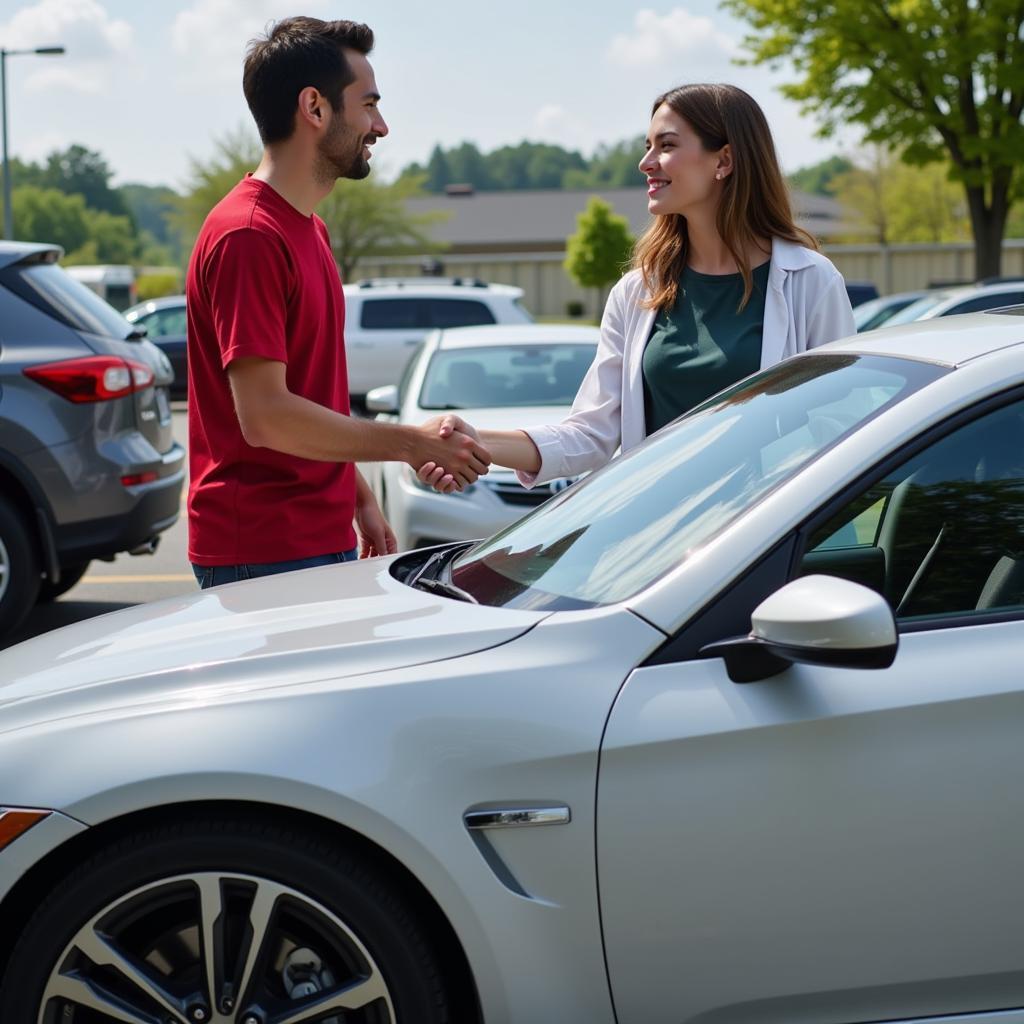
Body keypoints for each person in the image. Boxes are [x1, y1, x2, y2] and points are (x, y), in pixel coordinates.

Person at [418, 83, 855, 492]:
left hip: (773, 537)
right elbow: (590, 434)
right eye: (648, 147)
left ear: (724, 160)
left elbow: (844, 424)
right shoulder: (637, 292)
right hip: (659, 540)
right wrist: (477, 441)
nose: (646, 163)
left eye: (666, 146)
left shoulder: (811, 282)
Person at [186, 17, 489, 589]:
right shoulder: (248, 236)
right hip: (263, 550)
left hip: (312, 538)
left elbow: (309, 395)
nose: (381, 126)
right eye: (368, 104)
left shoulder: (307, 230)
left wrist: (357, 497)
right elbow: (268, 416)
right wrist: (410, 442)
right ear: (315, 108)